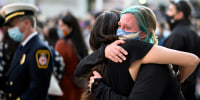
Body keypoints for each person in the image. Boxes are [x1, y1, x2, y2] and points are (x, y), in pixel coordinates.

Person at [75, 6, 200, 100]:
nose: (120, 32)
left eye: (127, 28)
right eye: (119, 26)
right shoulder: (117, 50)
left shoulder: (132, 46)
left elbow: (193, 60)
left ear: (143, 33)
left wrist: (176, 80)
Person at [0, 3, 53, 100]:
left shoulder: (40, 50)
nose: (8, 30)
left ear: (27, 23)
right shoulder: (23, 47)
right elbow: (10, 78)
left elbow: (38, 89)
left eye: (12, 26)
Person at [164, 0, 200, 99]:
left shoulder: (176, 35)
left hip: (178, 92)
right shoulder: (192, 32)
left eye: (170, 10)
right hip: (190, 90)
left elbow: (167, 66)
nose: (167, 13)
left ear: (180, 14)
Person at [55, 13, 88, 100]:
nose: (59, 28)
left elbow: (56, 64)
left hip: (64, 87)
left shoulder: (62, 44)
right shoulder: (80, 43)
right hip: (79, 86)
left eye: (62, 26)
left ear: (70, 28)